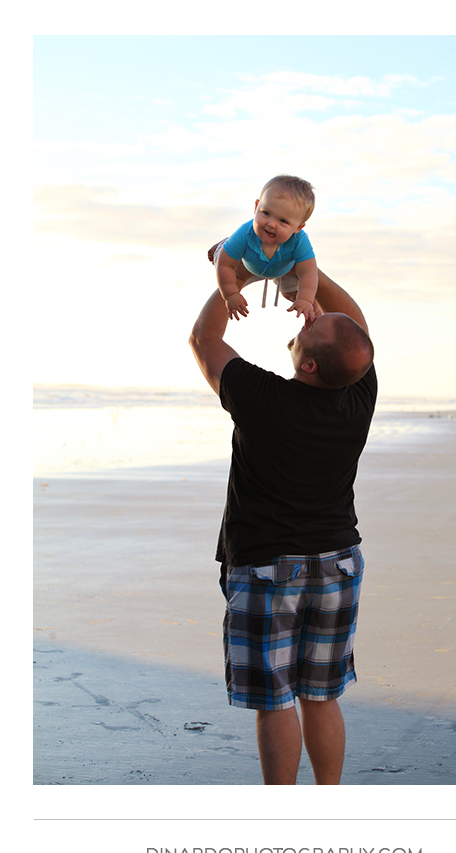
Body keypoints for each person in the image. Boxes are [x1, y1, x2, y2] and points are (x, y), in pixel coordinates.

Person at [189, 270, 377, 785]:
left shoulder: (261, 398)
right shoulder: (358, 394)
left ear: (310, 363)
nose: (305, 321)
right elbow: (354, 329)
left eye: (309, 328)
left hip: (267, 566)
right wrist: (304, 274)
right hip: (339, 564)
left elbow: (203, 340)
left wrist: (242, 272)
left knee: (275, 703)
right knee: (322, 696)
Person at [209, 174, 319, 322]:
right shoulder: (245, 234)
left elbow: (309, 272)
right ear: (256, 207)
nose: (271, 224)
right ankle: (224, 244)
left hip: (283, 266)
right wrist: (230, 295)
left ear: (298, 227)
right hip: (247, 260)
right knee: (224, 259)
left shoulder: (299, 240)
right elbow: (225, 264)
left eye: (283, 221)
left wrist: (305, 300)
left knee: (295, 291)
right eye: (266, 213)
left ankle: (315, 317)